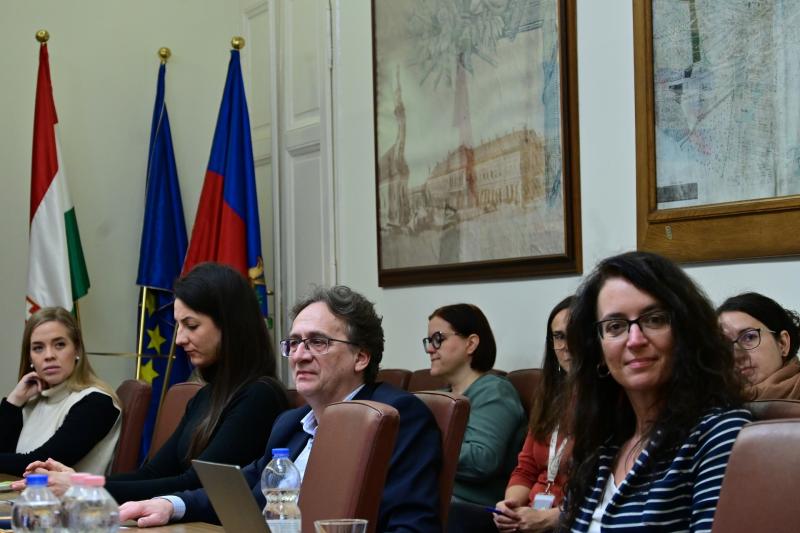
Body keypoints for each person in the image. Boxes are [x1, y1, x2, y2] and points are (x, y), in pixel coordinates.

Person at [119, 285, 443, 532]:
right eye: (294, 343)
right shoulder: (290, 423)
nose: (300, 355)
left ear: (361, 357)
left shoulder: (397, 417)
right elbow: (243, 491)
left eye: (317, 342)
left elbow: (412, 525)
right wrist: (170, 505)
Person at [23, 262, 289, 503]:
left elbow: (197, 485)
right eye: (178, 326)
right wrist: (81, 482)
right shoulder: (205, 396)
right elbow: (153, 473)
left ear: (229, 325)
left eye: (191, 325)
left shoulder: (258, 396)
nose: (179, 339)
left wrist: (81, 487)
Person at [561, 251, 750, 532]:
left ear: (685, 332)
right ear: (598, 350)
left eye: (655, 319)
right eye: (615, 326)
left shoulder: (720, 434)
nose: (635, 340)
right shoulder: (603, 445)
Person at [424, 303, 525, 508]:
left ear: (471, 344)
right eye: (429, 341)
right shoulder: (440, 396)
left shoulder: (494, 391)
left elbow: (481, 461)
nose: (430, 349)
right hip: (435, 494)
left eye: (438, 339)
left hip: (470, 505)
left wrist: (420, 445)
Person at [0, 307, 121, 476]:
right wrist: (14, 401)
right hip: (24, 492)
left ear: (77, 350)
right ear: (30, 358)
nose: (49, 355)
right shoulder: (34, 400)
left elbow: (38, 464)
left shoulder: (97, 402)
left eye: (59, 345)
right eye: (38, 348)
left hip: (72, 494)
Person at [494, 296, 574, 533]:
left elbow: (602, 495)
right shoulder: (549, 396)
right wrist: (510, 507)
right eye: (559, 336)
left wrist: (549, 518)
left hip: (571, 519)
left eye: (575, 334)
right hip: (530, 515)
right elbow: (525, 468)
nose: (567, 345)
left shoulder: (613, 402)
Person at [717, 292, 800, 400]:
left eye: (749, 337)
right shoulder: (711, 405)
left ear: (782, 343)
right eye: (725, 344)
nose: (736, 355)